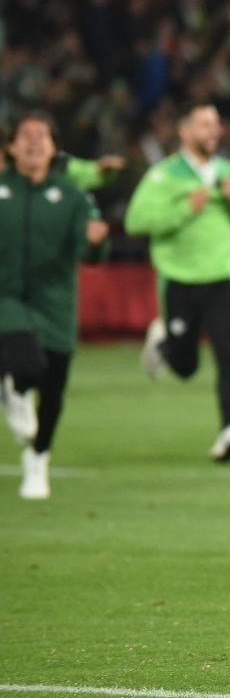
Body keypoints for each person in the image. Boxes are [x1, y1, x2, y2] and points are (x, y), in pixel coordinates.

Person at [124, 102, 230, 460]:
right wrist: (185, 208)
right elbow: (136, 221)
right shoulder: (164, 175)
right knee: (187, 367)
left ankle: (229, 428)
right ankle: (165, 342)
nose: (212, 131)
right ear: (184, 131)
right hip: (179, 280)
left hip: (221, 276)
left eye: (216, 124)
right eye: (204, 124)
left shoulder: (229, 173)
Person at [0, 114, 108, 499]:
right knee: (24, 359)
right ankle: (13, 388)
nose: (33, 142)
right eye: (24, 135)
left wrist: (95, 242)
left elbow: (90, 250)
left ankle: (38, 459)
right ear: (10, 147)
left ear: (53, 148)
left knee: (55, 387)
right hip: (7, 297)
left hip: (56, 301)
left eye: (41, 135)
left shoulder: (72, 196)